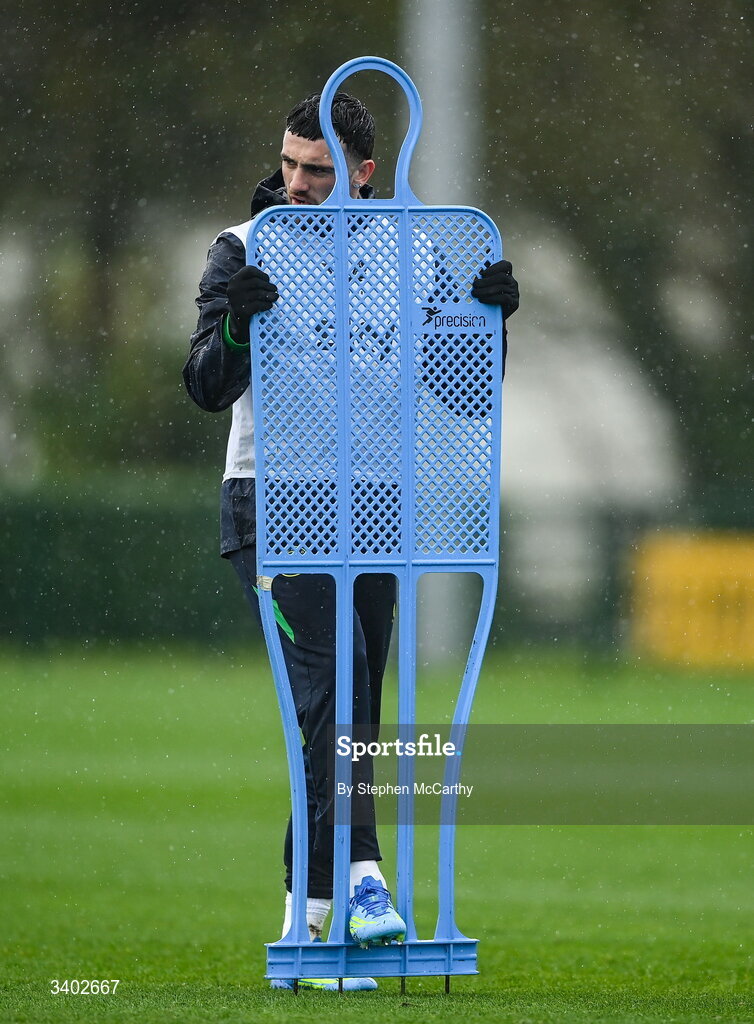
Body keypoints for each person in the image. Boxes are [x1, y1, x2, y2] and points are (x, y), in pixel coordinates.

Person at [183, 91, 519, 991]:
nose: (294, 185)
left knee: (351, 703)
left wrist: (490, 324)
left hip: (373, 501)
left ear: (365, 173)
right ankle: (364, 880)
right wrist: (238, 322)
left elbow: (468, 395)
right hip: (272, 498)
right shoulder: (243, 247)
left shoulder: (410, 252)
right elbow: (206, 387)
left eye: (317, 171)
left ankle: (310, 920)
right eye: (288, 164)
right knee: (336, 687)